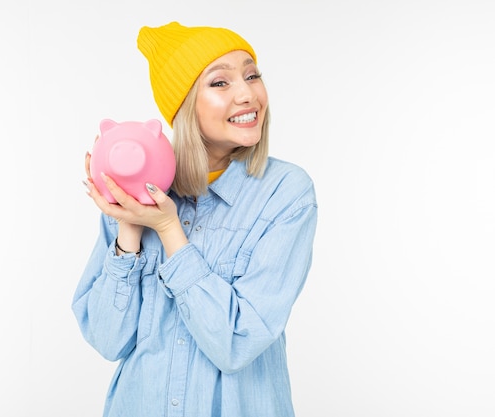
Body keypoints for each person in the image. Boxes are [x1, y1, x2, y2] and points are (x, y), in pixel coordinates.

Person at [73, 21, 318, 417]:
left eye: (252, 75)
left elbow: (237, 342)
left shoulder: (286, 194)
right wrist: (130, 228)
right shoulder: (132, 194)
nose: (247, 94)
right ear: (184, 105)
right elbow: (107, 340)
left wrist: (170, 231)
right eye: (220, 83)